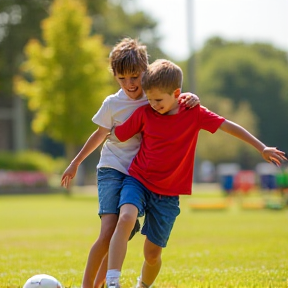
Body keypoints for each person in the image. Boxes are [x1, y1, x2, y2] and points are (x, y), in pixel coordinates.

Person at [106, 59, 287, 288]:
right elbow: (115, 132)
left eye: (158, 100)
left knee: (152, 254)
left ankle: (142, 285)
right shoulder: (145, 113)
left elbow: (228, 125)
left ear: (177, 93)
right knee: (126, 217)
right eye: (149, 99)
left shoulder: (194, 113)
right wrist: (105, 125)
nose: (153, 104)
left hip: (168, 195)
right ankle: (113, 282)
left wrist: (261, 147)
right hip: (138, 180)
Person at [61, 39, 200, 288]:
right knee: (108, 233)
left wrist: (191, 96)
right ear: (115, 76)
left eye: (134, 77)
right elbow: (99, 135)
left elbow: (174, 96)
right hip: (113, 169)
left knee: (122, 233)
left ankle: (101, 283)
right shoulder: (112, 104)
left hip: (139, 176)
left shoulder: (152, 97)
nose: (129, 84)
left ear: (146, 70)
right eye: (122, 78)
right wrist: (76, 162)